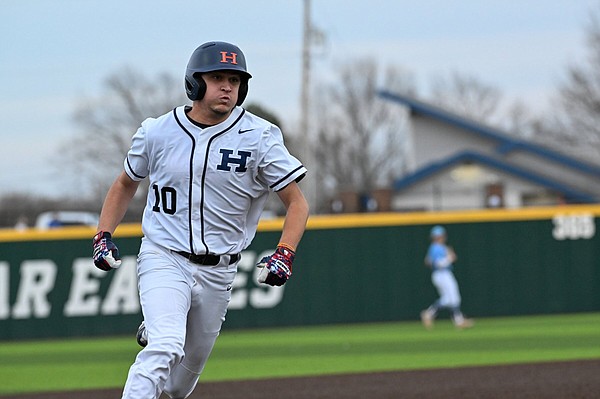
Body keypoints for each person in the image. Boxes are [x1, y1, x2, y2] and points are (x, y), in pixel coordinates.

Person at [92, 41, 309, 399]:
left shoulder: (259, 137)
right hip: (164, 255)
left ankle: (161, 327)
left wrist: (285, 252)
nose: (227, 86)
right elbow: (125, 183)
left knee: (179, 386)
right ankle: (162, 329)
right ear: (194, 83)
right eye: (217, 77)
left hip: (220, 270)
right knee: (164, 348)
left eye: (235, 80)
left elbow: (297, 203)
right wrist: (103, 234)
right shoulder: (157, 131)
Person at [420, 225, 473, 330]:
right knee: (452, 298)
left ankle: (432, 314)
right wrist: (450, 258)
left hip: (443, 274)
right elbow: (438, 264)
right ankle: (456, 320)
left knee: (450, 299)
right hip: (441, 274)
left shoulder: (439, 247)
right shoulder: (436, 247)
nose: (443, 237)